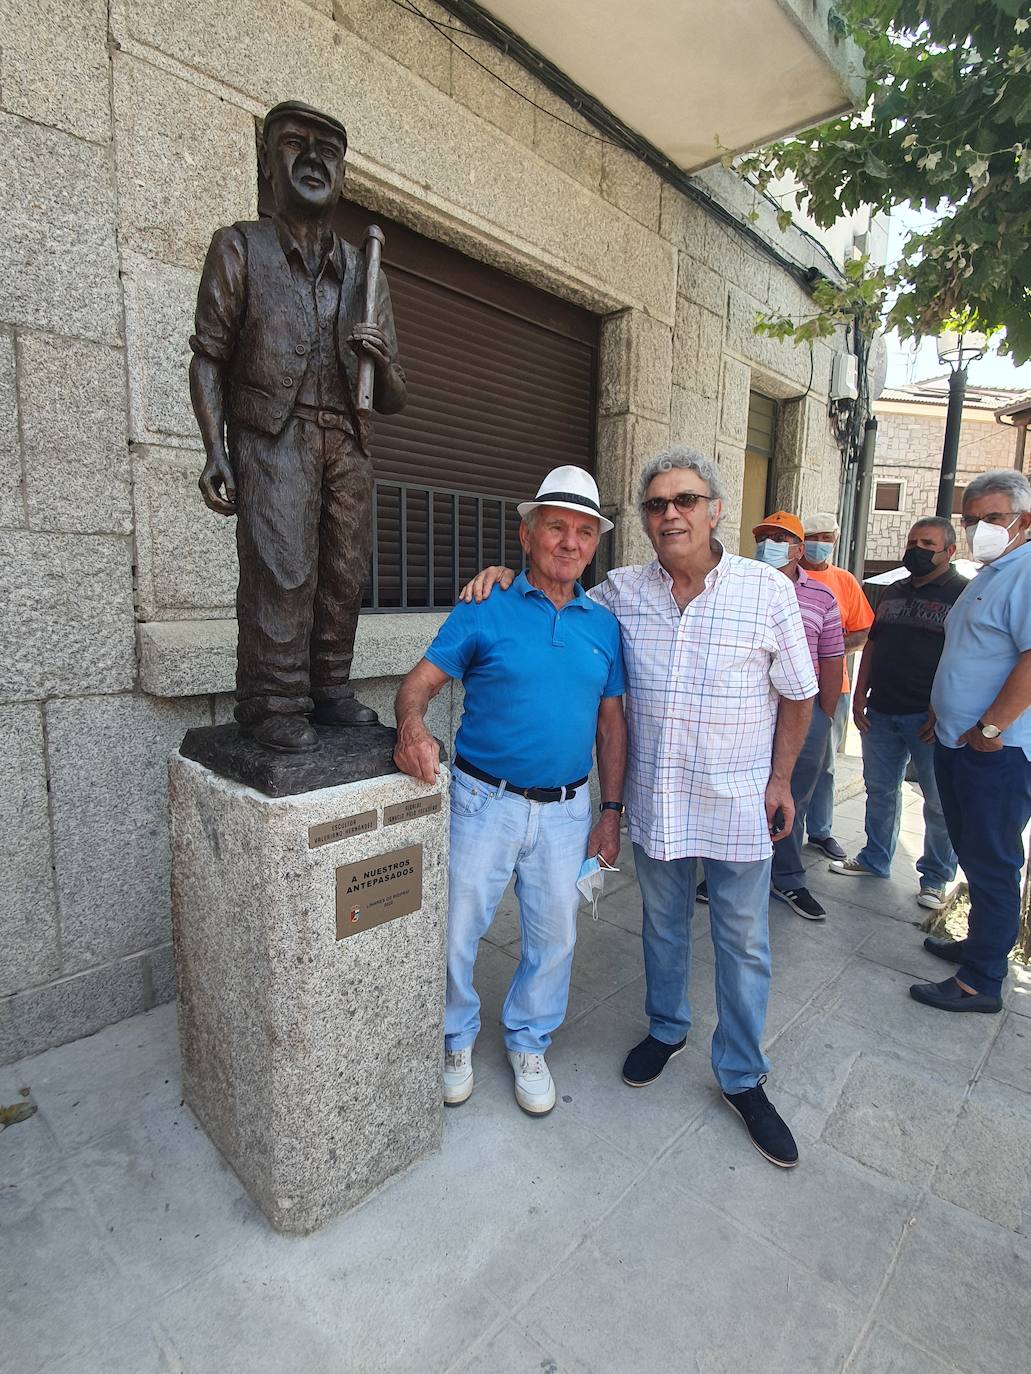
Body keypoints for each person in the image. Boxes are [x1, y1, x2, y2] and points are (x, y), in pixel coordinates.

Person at [461, 447, 817, 1168]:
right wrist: (503, 576)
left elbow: (799, 694)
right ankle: (666, 1028)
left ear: (716, 510)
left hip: (737, 800)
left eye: (684, 501)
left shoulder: (765, 591)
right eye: (655, 506)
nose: (669, 515)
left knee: (742, 942)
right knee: (661, 928)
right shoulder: (621, 591)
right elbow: (553, 583)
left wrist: (780, 781)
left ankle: (742, 1076)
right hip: (660, 804)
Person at [393, 466, 627, 1114]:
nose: (570, 542)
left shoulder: (603, 626)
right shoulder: (483, 607)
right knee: (454, 931)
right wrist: (410, 727)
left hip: (565, 811)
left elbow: (611, 725)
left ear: (593, 544)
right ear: (527, 536)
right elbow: (416, 685)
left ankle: (529, 1041)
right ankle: (454, 1039)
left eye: (584, 531)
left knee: (554, 940)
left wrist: (610, 813)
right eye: (556, 526)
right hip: (481, 802)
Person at [190, 100, 407, 752]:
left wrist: (378, 356)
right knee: (281, 572)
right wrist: (212, 450)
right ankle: (272, 703)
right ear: (266, 161)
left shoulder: (364, 271)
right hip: (270, 433)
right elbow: (208, 355)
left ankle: (330, 691)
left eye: (329, 150)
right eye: (295, 143)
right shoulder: (240, 248)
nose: (314, 159)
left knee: (343, 574)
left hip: (347, 441)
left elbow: (394, 395)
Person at [912, 470, 1031, 1014]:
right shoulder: (989, 573)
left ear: (1022, 522)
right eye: (971, 518)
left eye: (992, 519)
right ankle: (980, 947)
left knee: (992, 861)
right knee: (975, 854)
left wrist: (990, 727)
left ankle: (981, 981)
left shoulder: (1025, 571)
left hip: (997, 752)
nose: (980, 528)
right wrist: (945, 711)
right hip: (961, 742)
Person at [829, 518, 962, 910]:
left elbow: (961, 658)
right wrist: (859, 695)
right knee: (881, 790)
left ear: (949, 551)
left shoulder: (962, 593)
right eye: (912, 541)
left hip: (928, 718)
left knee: (938, 802)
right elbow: (872, 645)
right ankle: (875, 858)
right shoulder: (892, 591)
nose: (916, 549)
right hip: (881, 712)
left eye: (928, 543)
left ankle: (935, 879)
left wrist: (942, 710)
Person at [753, 512, 844, 922]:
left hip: (803, 718)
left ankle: (787, 876)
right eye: (764, 536)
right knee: (748, 794)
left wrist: (822, 717)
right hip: (751, 716)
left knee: (794, 797)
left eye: (779, 537)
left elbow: (831, 659)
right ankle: (735, 868)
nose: (769, 543)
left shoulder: (822, 598)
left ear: (798, 549)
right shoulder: (739, 590)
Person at [799, 512, 874, 859]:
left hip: (831, 686)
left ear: (836, 541)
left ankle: (820, 830)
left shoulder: (843, 581)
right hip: (784, 687)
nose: (819, 543)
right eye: (813, 536)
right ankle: (781, 832)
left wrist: (827, 646)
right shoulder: (782, 578)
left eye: (826, 537)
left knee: (824, 762)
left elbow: (864, 630)